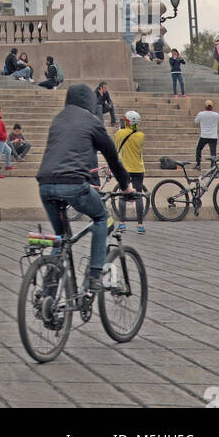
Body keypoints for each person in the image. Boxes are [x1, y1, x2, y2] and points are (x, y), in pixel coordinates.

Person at [36, 83, 132, 290]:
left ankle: (47, 298)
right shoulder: (93, 121)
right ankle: (95, 275)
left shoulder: (58, 119)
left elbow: (62, 153)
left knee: (61, 238)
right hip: (73, 185)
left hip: (45, 185)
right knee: (101, 218)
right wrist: (125, 186)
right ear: (90, 101)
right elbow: (112, 159)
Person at [114, 110, 147, 233]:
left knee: (123, 196)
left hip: (125, 169)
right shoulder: (141, 136)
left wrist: (121, 128)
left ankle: (122, 223)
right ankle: (140, 225)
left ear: (127, 121)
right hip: (138, 169)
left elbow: (117, 146)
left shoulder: (119, 134)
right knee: (138, 196)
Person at [195, 100, 219, 169]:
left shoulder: (201, 114)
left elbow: (196, 121)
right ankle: (213, 167)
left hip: (204, 135)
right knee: (213, 153)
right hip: (213, 136)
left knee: (198, 149)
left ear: (205, 106)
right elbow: (218, 120)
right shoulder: (216, 115)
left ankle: (198, 164)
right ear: (212, 107)